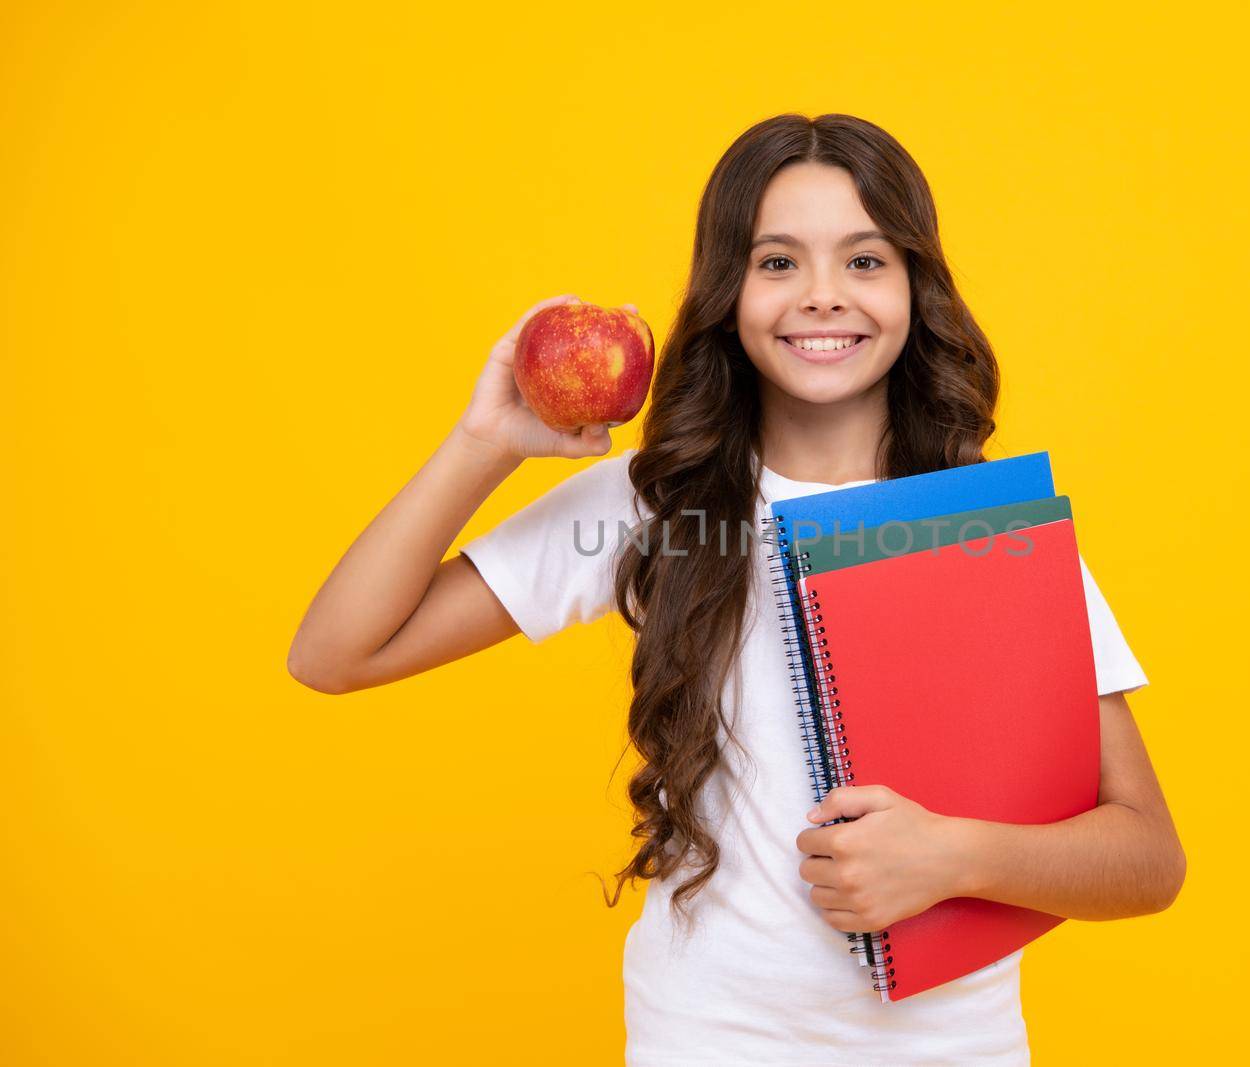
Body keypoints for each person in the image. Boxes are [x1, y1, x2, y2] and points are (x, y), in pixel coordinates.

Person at [288, 112, 1185, 1066]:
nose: (824, 297)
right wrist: (484, 445)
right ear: (728, 292)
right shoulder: (654, 505)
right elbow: (334, 653)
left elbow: (1146, 859)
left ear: (919, 288)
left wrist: (952, 857)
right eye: (777, 262)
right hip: (708, 1041)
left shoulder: (984, 530)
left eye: (867, 261)